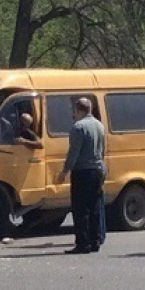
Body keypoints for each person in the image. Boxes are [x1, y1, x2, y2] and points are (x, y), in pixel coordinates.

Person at [55, 98, 106, 254]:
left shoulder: (79, 127)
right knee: (95, 207)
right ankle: (95, 240)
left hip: (83, 171)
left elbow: (74, 152)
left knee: (80, 209)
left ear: (79, 110)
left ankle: (83, 243)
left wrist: (65, 171)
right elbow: (102, 149)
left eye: (75, 111)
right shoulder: (99, 125)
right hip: (97, 169)